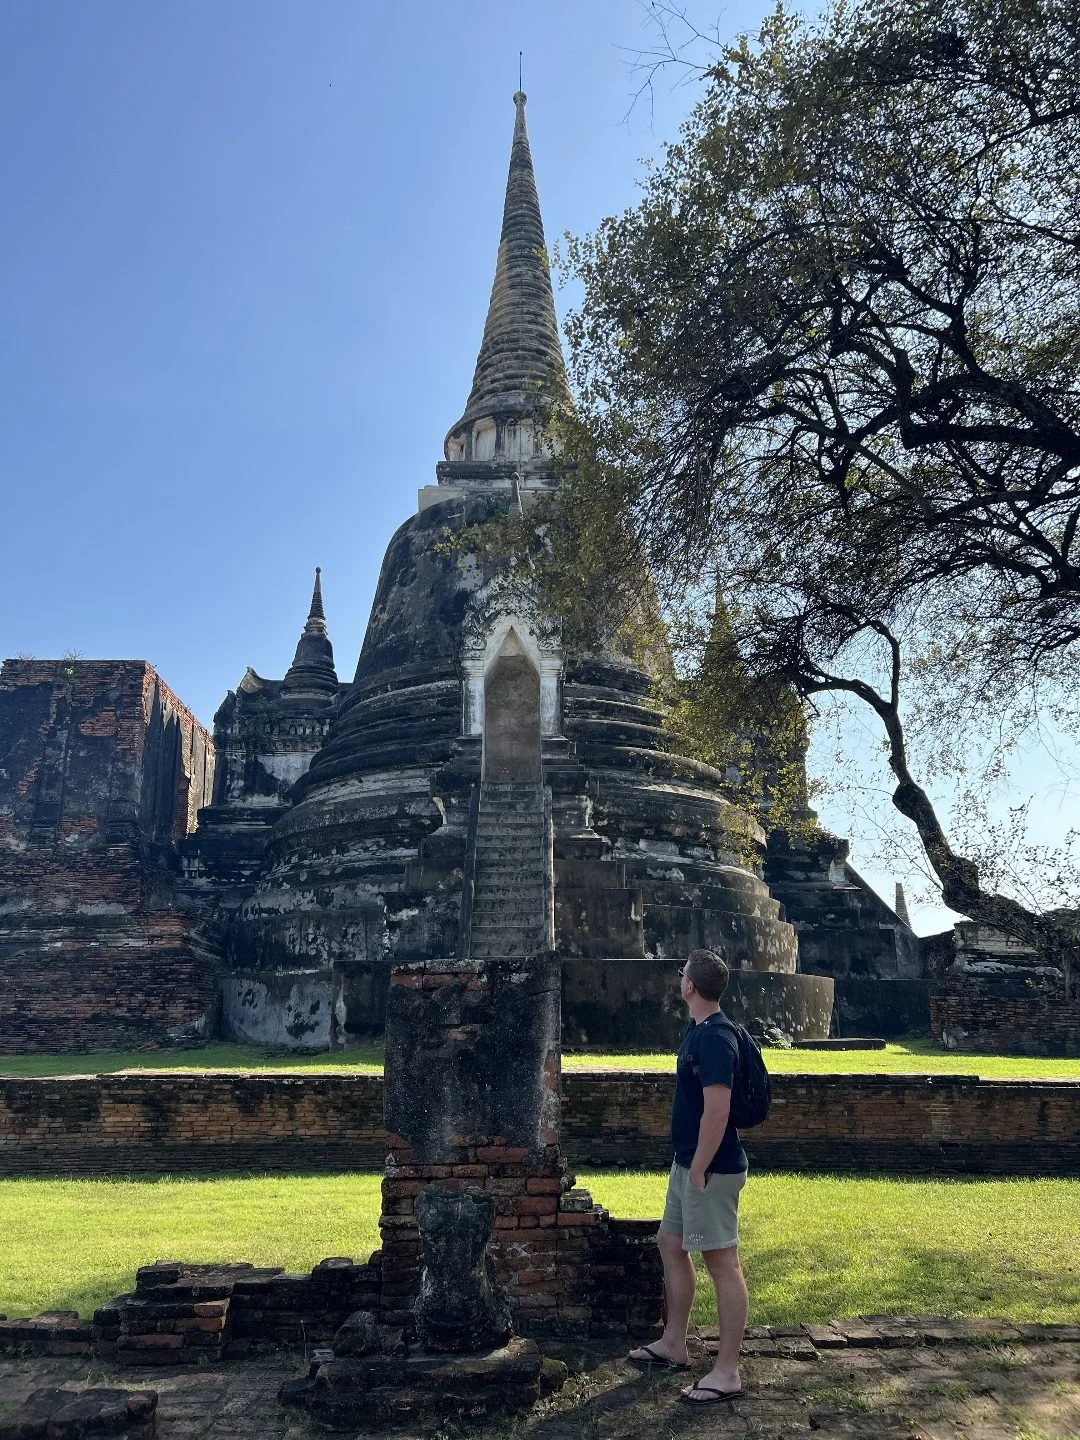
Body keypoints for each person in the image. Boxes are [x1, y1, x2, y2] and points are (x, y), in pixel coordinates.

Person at [627, 946, 748, 1405]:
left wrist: (698, 1168)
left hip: (710, 1168)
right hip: (689, 1164)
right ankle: (674, 1343)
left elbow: (718, 1112)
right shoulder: (699, 1030)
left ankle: (727, 1371)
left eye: (681, 975)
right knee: (670, 1243)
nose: (679, 980)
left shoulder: (717, 1037)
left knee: (723, 1263)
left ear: (689, 986)